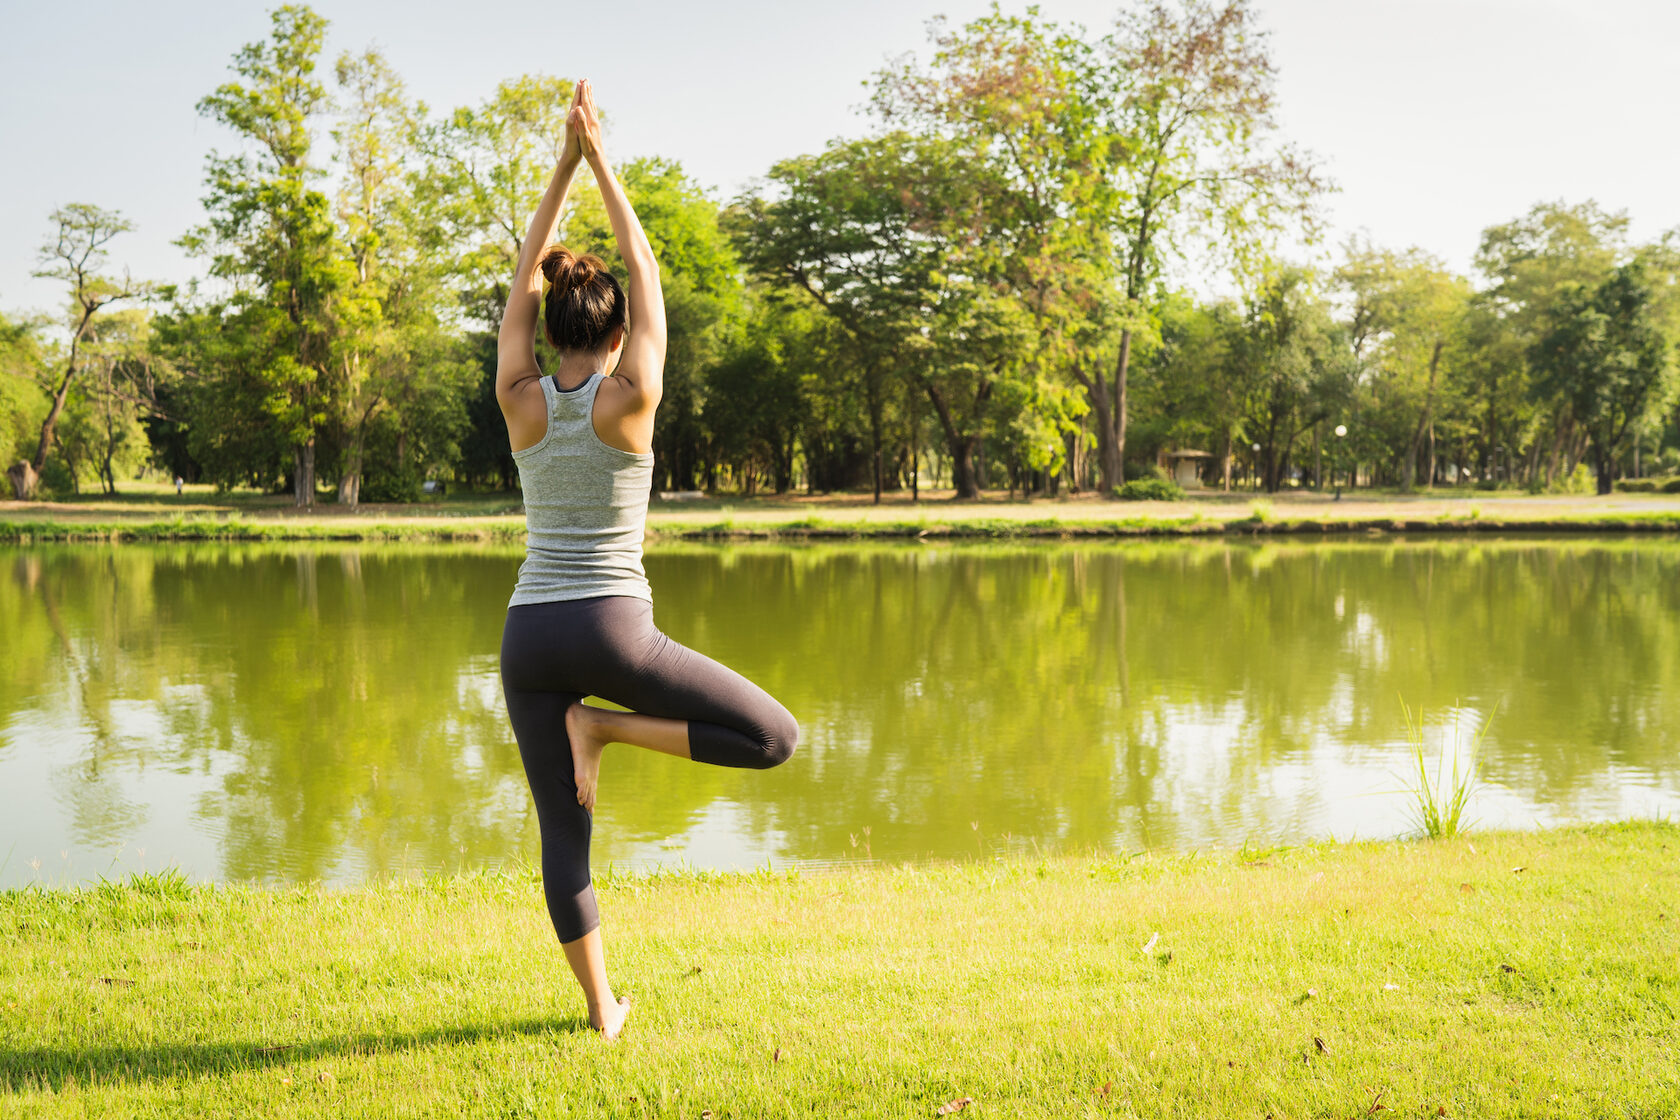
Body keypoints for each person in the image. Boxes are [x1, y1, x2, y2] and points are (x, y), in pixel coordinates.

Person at [495, 80, 799, 1042]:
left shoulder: (520, 399)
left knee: (562, 833)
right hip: (616, 633)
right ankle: (608, 731)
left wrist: (562, 165)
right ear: (618, 333)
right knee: (773, 738)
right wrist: (600, 158)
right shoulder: (632, 397)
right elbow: (646, 264)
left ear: (547, 333)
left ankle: (601, 1012)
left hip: (529, 635)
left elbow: (519, 277)